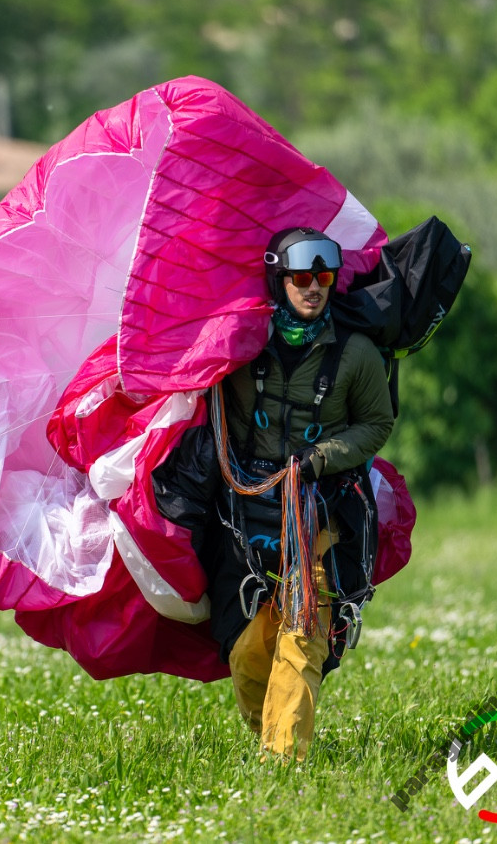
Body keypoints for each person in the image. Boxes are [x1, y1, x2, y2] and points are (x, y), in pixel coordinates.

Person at [156, 227, 394, 760]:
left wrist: (319, 460)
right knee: (247, 653)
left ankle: (283, 761)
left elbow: (377, 423)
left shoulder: (355, 355)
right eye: (302, 278)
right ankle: (272, 730)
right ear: (278, 280)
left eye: (324, 278)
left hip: (320, 508)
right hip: (245, 509)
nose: (314, 288)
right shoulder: (241, 345)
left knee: (303, 624)